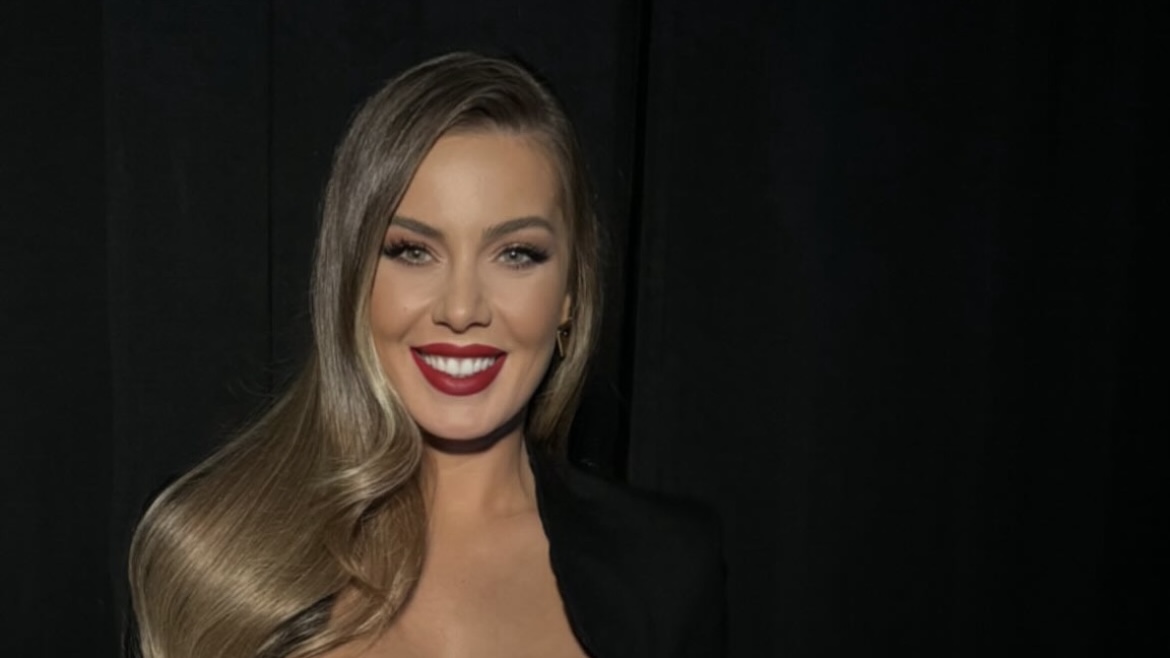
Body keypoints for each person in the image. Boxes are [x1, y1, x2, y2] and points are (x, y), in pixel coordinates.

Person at [128, 52, 724, 658]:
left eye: (516, 254)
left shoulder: (666, 567)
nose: (462, 309)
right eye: (413, 251)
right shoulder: (209, 547)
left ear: (570, 294)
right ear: (353, 277)